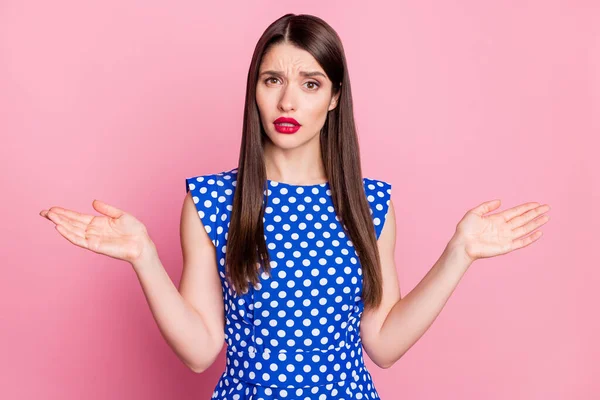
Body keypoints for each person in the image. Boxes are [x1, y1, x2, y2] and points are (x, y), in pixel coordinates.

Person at [39, 13, 551, 400]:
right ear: (255, 91)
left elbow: (384, 344)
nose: (288, 102)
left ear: (333, 98)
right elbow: (199, 353)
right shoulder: (212, 202)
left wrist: (457, 254)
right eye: (272, 80)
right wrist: (144, 257)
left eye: (310, 84)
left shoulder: (371, 205)